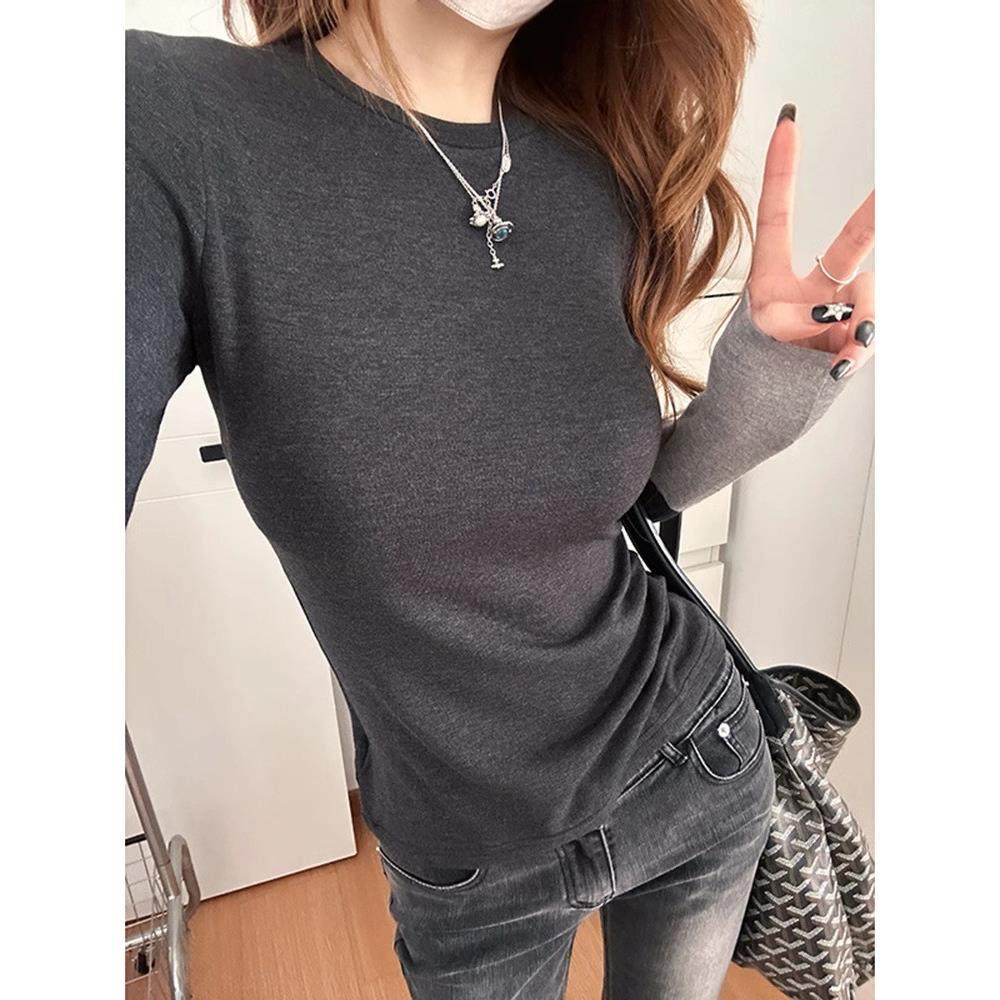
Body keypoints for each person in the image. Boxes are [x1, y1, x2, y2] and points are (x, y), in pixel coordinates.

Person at [125, 1, 875, 996]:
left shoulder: (594, 162)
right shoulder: (173, 123)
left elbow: (621, 500)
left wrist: (767, 384)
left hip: (695, 759)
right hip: (472, 864)